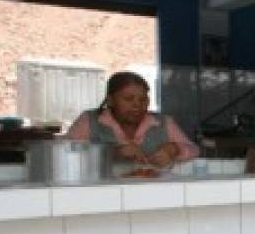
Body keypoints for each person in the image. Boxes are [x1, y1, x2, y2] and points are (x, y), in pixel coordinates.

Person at [67, 71, 198, 169]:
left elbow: (194, 150)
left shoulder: (163, 122)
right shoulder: (89, 120)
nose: (137, 105)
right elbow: (66, 153)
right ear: (110, 100)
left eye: (143, 100)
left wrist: (175, 149)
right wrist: (113, 153)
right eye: (129, 99)